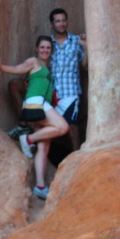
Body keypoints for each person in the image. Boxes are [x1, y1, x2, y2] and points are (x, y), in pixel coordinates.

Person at [0, 35, 69, 200]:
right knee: (62, 127)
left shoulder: (46, 66)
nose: (45, 50)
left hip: (42, 105)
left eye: (48, 48)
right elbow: (17, 69)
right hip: (37, 104)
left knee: (43, 149)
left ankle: (40, 186)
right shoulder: (34, 62)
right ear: (37, 49)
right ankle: (28, 139)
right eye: (42, 47)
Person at [47, 8, 87, 150]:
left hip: (70, 92)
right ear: (52, 24)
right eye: (58, 21)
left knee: (72, 127)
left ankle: (77, 156)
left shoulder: (76, 41)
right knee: (50, 127)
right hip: (52, 94)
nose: (62, 24)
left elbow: (85, 66)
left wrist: (85, 48)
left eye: (64, 20)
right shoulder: (47, 44)